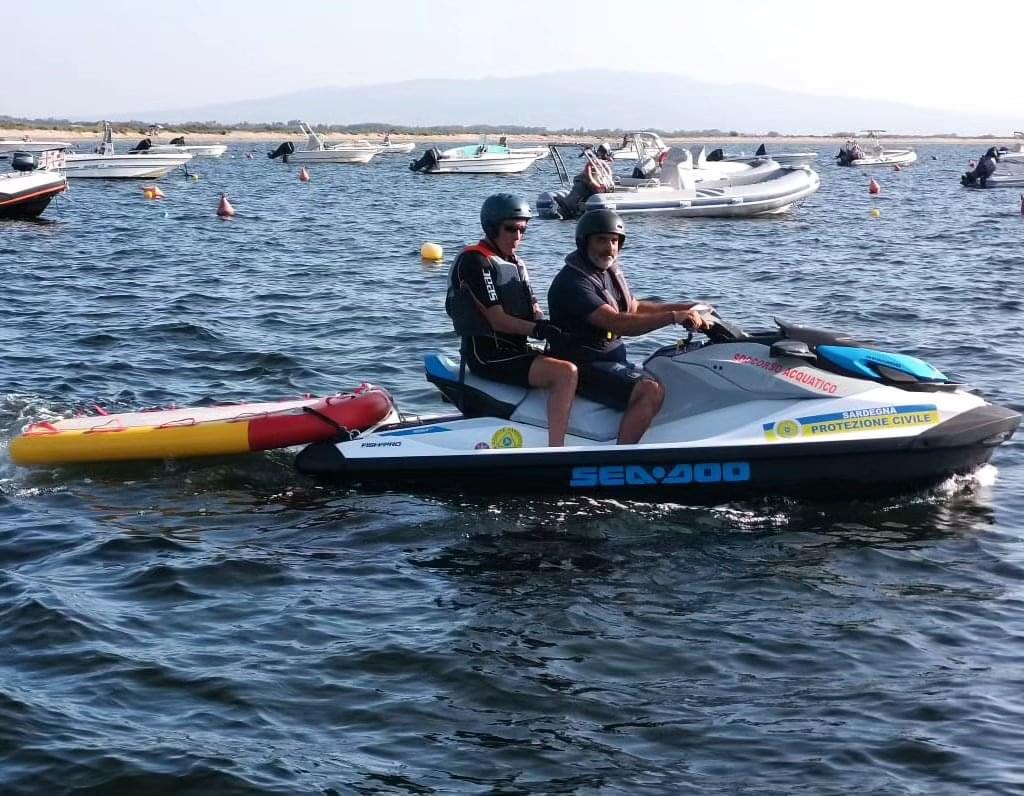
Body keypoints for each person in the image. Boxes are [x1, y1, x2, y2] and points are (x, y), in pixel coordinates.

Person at [547, 209, 710, 445]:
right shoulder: (574, 283)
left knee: (669, 367)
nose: (609, 247)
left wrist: (691, 306)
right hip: (584, 365)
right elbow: (617, 322)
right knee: (649, 389)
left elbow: (633, 307)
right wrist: (674, 317)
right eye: (601, 240)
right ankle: (622, 456)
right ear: (585, 242)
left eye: (614, 241)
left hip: (608, 359)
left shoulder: (606, 272)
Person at [445, 193, 578, 447]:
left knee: (575, 357)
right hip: (488, 354)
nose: (518, 237)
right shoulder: (475, 262)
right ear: (492, 227)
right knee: (565, 373)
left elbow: (534, 309)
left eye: (523, 230)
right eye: (511, 229)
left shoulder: (516, 263)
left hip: (516, 349)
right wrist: (538, 330)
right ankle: (557, 449)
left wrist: (554, 328)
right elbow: (497, 320)